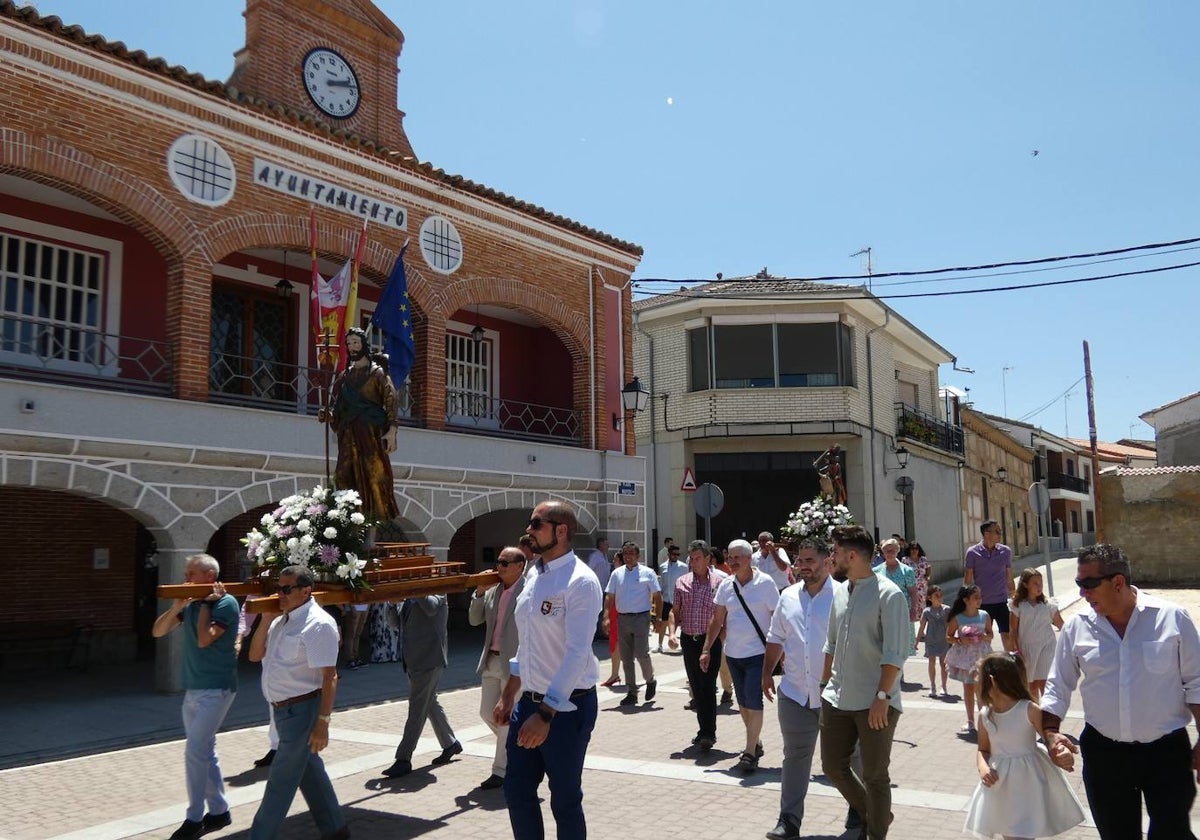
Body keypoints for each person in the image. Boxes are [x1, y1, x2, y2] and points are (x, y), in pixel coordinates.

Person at [1041, 544, 1200, 840]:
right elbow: (1057, 685)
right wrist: (1051, 734)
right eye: (1079, 584)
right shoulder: (1077, 627)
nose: (1082, 593)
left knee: (1172, 833)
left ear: (1117, 582)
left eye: (1088, 584)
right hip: (1106, 755)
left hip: (1166, 754)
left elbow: (1197, 682)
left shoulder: (1172, 618)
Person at [494, 500, 602, 840]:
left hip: (567, 708)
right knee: (516, 791)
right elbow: (527, 644)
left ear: (562, 530)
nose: (529, 529)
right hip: (529, 703)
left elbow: (577, 653)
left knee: (565, 800)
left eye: (536, 523)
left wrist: (545, 713)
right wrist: (511, 693)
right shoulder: (533, 577)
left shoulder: (581, 582)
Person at [819, 524, 910, 840]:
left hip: (875, 702)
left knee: (874, 776)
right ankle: (878, 815)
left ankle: (876, 832)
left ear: (852, 554)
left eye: (836, 551)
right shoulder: (841, 591)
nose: (833, 556)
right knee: (832, 766)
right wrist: (822, 688)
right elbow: (830, 644)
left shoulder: (890, 594)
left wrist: (882, 696)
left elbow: (895, 653)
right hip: (837, 697)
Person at [247, 565, 347, 840]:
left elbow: (330, 676)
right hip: (282, 712)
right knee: (309, 771)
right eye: (278, 588)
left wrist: (323, 723)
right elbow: (255, 656)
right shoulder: (281, 621)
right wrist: (265, 620)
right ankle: (336, 828)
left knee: (280, 782)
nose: (280, 594)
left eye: (286, 589)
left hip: (302, 711)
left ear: (306, 591)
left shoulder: (319, 624)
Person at [152, 554, 239, 840]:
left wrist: (207, 606)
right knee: (204, 751)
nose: (186, 577)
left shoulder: (225, 603)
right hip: (193, 688)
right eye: (186, 572)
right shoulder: (189, 604)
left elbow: (204, 639)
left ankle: (193, 817)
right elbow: (158, 631)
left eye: (192, 573)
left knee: (194, 752)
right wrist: (178, 605)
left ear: (210, 577)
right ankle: (219, 810)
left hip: (217, 688)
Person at [963, 653, 1085, 840]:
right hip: (1001, 783)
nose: (975, 680)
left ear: (992, 681)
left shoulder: (1028, 709)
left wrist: (1062, 753)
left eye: (978, 676)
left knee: (1022, 831)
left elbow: (1049, 738)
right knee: (1009, 831)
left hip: (1028, 781)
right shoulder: (985, 715)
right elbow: (983, 749)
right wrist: (983, 767)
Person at [761, 537, 836, 839]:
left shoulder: (843, 596)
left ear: (827, 561)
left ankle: (859, 815)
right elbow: (776, 636)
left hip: (836, 695)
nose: (803, 566)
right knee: (795, 756)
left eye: (810, 560)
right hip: (794, 691)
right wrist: (767, 673)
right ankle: (788, 820)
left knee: (845, 760)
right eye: (800, 561)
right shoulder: (788, 596)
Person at [700, 538, 780, 774]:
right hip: (733, 654)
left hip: (758, 654)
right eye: (730, 557)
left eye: (737, 557)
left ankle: (749, 752)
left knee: (753, 701)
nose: (733, 561)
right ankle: (755, 741)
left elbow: (778, 617)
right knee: (743, 703)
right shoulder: (726, 585)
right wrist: (706, 648)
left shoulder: (766, 584)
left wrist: (780, 651)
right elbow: (717, 619)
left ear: (749, 558)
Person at [319, 326, 399, 521]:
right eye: (349, 344)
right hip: (348, 435)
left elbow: (391, 400)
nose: (352, 347)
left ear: (364, 344)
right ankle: (348, 525)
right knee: (344, 476)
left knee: (373, 477)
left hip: (370, 435)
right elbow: (338, 407)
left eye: (355, 342)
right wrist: (329, 415)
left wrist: (392, 431)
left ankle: (370, 531)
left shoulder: (377, 373)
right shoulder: (344, 376)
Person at [383, 595, 461, 776]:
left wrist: (415, 590)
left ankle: (403, 758)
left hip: (429, 658)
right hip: (412, 660)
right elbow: (395, 623)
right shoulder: (410, 596)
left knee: (417, 709)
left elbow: (431, 607)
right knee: (429, 702)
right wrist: (392, 604)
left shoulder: (438, 588)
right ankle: (450, 743)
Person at [469, 546, 526, 790]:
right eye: (498, 562)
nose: (499, 567)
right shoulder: (493, 590)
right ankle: (518, 748)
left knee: (504, 718)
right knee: (486, 713)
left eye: (505, 563)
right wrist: (479, 593)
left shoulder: (528, 591)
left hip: (513, 662)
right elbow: (474, 620)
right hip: (491, 660)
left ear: (519, 566)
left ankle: (500, 771)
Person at [670, 539, 728, 751]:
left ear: (707, 559)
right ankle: (703, 729)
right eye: (691, 559)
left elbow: (724, 616)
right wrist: (672, 633)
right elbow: (674, 612)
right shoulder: (681, 582)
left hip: (709, 640)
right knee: (696, 687)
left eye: (697, 558)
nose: (693, 562)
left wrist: (718, 641)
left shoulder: (720, 583)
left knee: (707, 685)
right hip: (688, 640)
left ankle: (708, 733)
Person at [604, 541, 661, 706]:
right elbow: (610, 596)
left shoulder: (648, 573)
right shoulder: (617, 574)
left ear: (638, 556)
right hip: (623, 618)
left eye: (631, 553)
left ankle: (650, 680)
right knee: (626, 658)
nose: (627, 557)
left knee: (642, 653)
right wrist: (606, 616)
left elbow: (657, 595)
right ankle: (632, 692)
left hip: (641, 618)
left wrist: (657, 618)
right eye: (625, 553)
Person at [946, 585, 994, 734]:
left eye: (980, 597)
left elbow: (990, 634)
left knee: (981, 687)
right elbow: (948, 637)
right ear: (966, 600)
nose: (979, 600)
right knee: (968, 688)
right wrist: (960, 640)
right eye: (975, 597)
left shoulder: (984, 615)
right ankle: (970, 721)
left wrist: (984, 637)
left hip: (981, 656)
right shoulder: (958, 618)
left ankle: (984, 719)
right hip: (965, 658)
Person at [1008, 568, 1062, 699]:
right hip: (1026, 649)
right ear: (1025, 585)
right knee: (1031, 685)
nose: (1039, 586)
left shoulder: (1048, 604)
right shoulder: (1017, 605)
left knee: (1045, 682)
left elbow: (1061, 624)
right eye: (1035, 583)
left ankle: (1047, 713)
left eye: (1041, 583)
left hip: (1047, 646)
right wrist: (1014, 650)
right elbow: (1013, 630)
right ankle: (1035, 712)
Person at [964, 520, 1015, 651]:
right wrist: (966, 603)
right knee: (981, 639)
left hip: (1002, 602)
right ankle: (982, 667)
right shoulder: (972, 552)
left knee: (1008, 636)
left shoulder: (1006, 552)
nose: (1000, 534)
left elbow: (1009, 576)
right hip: (982, 604)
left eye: (1000, 531)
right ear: (986, 534)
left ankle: (1009, 665)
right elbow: (968, 580)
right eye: (997, 531)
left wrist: (1015, 596)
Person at [875, 538, 919, 652]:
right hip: (883, 611)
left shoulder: (907, 571)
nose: (889, 553)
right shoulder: (876, 571)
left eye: (892, 550)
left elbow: (913, 592)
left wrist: (914, 610)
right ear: (883, 553)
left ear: (897, 551)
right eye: (886, 551)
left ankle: (900, 670)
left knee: (901, 647)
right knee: (884, 646)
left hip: (903, 611)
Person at [916, 585, 950, 698]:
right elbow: (921, 628)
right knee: (931, 662)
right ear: (930, 597)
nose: (940, 598)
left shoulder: (946, 610)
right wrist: (916, 642)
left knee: (943, 663)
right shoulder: (926, 612)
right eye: (937, 596)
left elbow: (950, 625)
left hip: (943, 640)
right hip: (930, 640)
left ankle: (944, 686)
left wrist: (952, 639)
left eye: (941, 595)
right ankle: (932, 686)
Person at [657, 543, 687, 652]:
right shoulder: (662, 566)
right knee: (664, 622)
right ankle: (660, 645)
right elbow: (661, 583)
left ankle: (683, 645)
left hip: (679, 600)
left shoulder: (684, 567)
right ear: (669, 554)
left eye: (677, 554)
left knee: (682, 623)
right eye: (674, 554)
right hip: (666, 599)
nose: (676, 556)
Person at [903, 540, 931, 611]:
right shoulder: (905, 560)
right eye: (912, 549)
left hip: (922, 588)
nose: (914, 551)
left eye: (916, 549)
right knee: (912, 606)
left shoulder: (923, 559)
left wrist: (927, 577)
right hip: (910, 587)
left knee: (922, 606)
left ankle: (922, 620)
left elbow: (928, 568)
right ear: (909, 550)